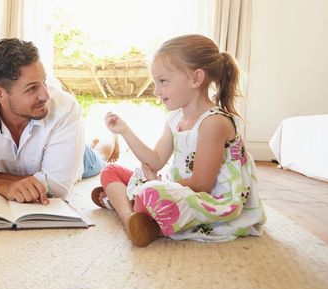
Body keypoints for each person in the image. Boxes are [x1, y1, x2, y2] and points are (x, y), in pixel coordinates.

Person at [91, 34, 266, 247]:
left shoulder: (214, 123)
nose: (156, 91)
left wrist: (156, 183)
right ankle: (131, 217)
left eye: (163, 81)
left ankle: (128, 207)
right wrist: (125, 131)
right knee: (111, 171)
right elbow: (155, 160)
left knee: (151, 192)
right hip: (177, 189)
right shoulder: (175, 118)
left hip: (209, 200)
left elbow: (202, 184)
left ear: (195, 78)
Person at [0, 38, 115, 204]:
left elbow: (57, 188)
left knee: (100, 158)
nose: (45, 95)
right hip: (57, 150)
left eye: (44, 82)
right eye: (32, 88)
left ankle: (111, 138)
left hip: (75, 154)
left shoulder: (64, 109)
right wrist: (3, 187)